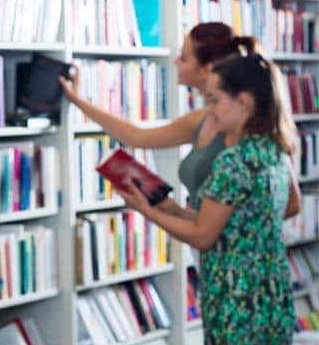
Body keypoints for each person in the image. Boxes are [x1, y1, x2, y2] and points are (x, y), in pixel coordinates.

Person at [116, 53, 298, 345]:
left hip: (236, 301)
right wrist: (171, 208)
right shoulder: (272, 151)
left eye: (215, 100)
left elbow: (203, 236)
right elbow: (233, 224)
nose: (210, 111)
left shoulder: (233, 161)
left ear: (243, 102)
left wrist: (149, 212)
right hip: (272, 296)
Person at [59, 22, 300, 215]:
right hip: (209, 258)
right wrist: (77, 100)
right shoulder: (201, 120)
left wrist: (232, 231)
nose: (175, 61)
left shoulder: (244, 127)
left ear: (208, 69)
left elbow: (291, 204)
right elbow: (136, 136)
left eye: (184, 57)